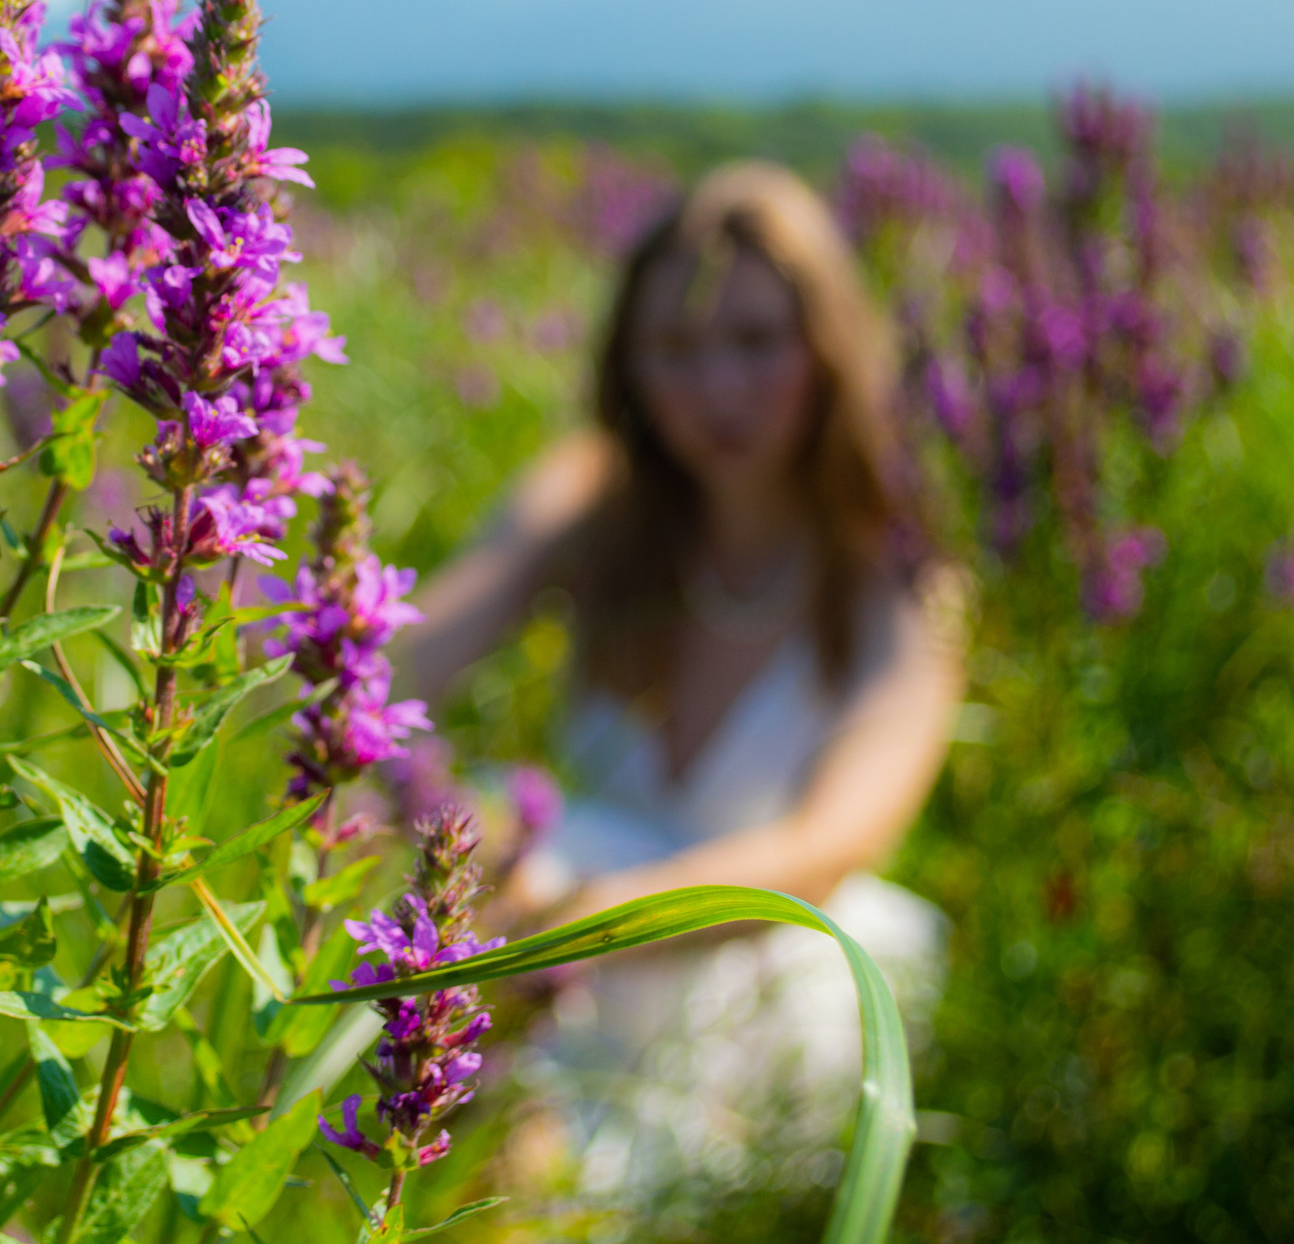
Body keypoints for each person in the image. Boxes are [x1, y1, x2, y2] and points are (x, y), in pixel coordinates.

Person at [399, 160, 965, 1203]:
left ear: (826, 347)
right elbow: (398, 666)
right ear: (629, 364)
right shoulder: (591, 496)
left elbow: (827, 849)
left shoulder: (895, 583)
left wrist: (573, 926)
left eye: (754, 340)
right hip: (556, 955)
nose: (716, 390)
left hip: (753, 978)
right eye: (675, 348)